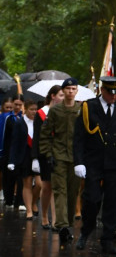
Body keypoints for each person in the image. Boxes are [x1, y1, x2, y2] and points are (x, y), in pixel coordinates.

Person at [73, 76, 116, 254]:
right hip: (93, 162)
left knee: (113, 202)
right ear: (102, 90)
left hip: (115, 163)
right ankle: (86, 231)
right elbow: (79, 137)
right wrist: (79, 162)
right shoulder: (88, 107)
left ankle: (107, 239)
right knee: (91, 200)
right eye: (111, 93)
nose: (114, 96)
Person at [38, 78, 81, 243]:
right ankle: (62, 225)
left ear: (76, 91)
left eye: (73, 89)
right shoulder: (55, 111)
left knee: (72, 191)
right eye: (68, 89)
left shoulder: (81, 110)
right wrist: (47, 154)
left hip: (76, 158)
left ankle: (67, 223)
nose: (70, 92)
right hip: (59, 155)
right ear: (63, 92)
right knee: (60, 190)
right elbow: (45, 134)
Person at [36, 86, 61, 229]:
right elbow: (38, 137)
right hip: (45, 154)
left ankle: (57, 220)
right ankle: (44, 215)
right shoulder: (41, 113)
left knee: (57, 187)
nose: (64, 97)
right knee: (47, 187)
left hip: (59, 153)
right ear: (53, 96)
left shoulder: (63, 112)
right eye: (61, 95)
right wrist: (35, 157)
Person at [2, 96, 26, 211]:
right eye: (15, 104)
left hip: (21, 152)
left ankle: (20, 201)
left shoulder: (24, 118)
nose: (17, 107)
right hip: (8, 151)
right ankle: (9, 199)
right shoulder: (8, 118)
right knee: (9, 178)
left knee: (21, 177)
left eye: (19, 105)